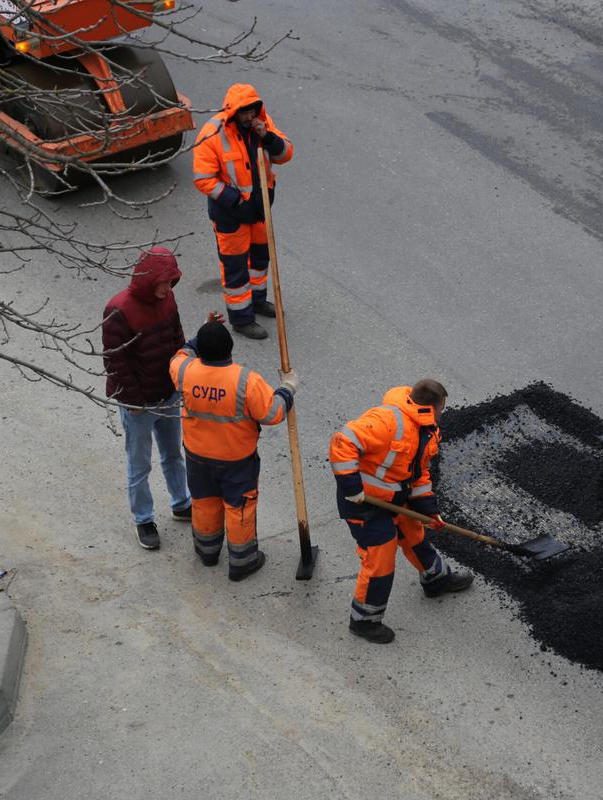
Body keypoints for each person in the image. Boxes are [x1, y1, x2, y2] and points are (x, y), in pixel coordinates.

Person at [328, 380, 474, 644]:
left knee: (414, 534)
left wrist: (428, 508)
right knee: (380, 561)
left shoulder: (424, 429)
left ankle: (436, 580)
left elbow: (418, 474)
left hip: (395, 498)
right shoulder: (387, 421)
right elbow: (343, 441)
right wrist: (352, 487)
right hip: (364, 504)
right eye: (442, 409)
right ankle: (364, 621)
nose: (442, 415)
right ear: (431, 407)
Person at [169, 320, 298, 581]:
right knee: (240, 509)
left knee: (204, 503)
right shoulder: (245, 381)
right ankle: (243, 561)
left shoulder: (183, 371)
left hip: (197, 457)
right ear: (230, 349)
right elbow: (273, 413)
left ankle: (207, 551)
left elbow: (182, 352)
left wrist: (202, 331)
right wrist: (288, 387)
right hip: (236, 461)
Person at [102, 247, 193, 550]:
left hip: (167, 395)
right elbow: (116, 363)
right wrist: (136, 402)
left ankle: (181, 503)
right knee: (140, 465)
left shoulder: (166, 299)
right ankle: (144, 519)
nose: (169, 289)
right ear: (149, 279)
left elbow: (176, 337)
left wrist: (180, 377)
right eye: (164, 282)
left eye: (171, 282)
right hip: (138, 405)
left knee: (173, 455)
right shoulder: (119, 310)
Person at [192, 83, 294, 341]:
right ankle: (241, 319)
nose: (250, 117)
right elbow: (203, 178)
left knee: (260, 260)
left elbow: (286, 154)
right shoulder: (212, 133)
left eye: (253, 111)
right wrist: (235, 200)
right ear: (234, 112)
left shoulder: (262, 124)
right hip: (231, 215)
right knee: (236, 269)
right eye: (245, 113)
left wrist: (268, 136)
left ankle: (258, 301)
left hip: (260, 211)